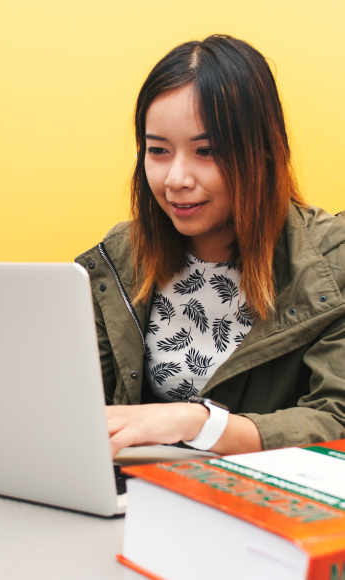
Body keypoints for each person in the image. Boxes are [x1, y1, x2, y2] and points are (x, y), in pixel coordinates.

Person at [75, 35, 345, 458]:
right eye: (158, 151)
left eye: (207, 151)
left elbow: (336, 420)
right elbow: (77, 400)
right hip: (138, 496)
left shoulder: (333, 263)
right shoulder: (121, 257)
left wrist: (197, 422)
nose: (176, 179)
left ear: (262, 152)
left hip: (263, 507)